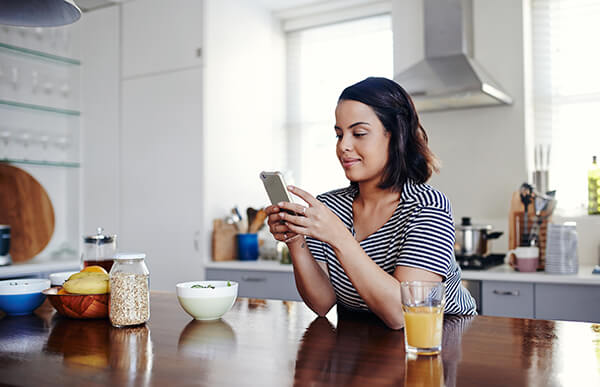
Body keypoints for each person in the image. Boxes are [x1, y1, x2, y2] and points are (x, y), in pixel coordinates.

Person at [266, 77, 476, 330]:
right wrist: (295, 239)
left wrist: (339, 237)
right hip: (370, 345)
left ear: (395, 135)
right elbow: (322, 303)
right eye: (339, 134)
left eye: (359, 133)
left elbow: (405, 315)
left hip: (440, 339)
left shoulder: (427, 206)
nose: (343, 146)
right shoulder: (330, 207)